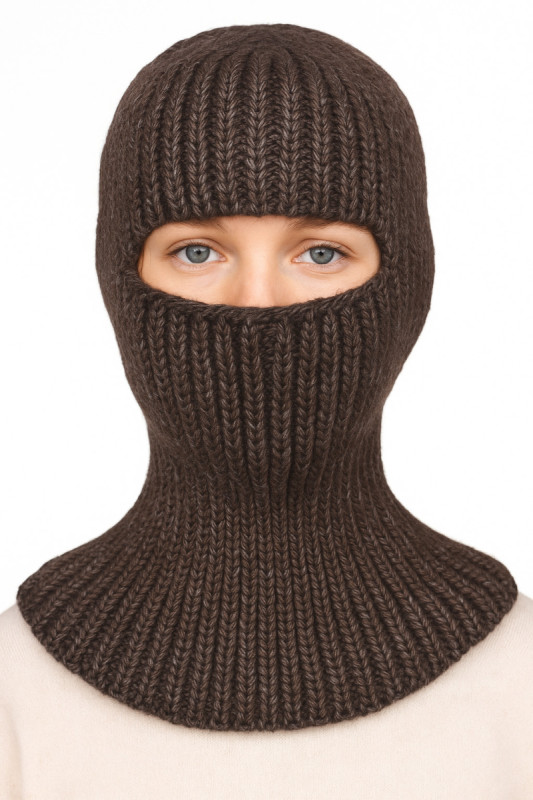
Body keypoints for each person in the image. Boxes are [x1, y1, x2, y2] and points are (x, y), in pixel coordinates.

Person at [1, 22, 532, 799]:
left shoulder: (520, 685)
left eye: (320, 253)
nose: (257, 303)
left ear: (409, 284)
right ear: (118, 280)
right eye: (197, 252)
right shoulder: (13, 693)